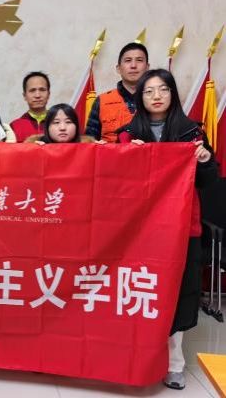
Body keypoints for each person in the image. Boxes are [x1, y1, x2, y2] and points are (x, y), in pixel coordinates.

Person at [117, 68, 217, 390]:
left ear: (172, 94)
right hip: (140, 232)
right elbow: (116, 184)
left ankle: (175, 364)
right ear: (140, 98)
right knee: (140, 293)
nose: (156, 96)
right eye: (148, 91)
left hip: (182, 229)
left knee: (179, 294)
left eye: (163, 89)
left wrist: (204, 160)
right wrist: (126, 157)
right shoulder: (126, 135)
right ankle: (138, 357)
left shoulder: (192, 134)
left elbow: (208, 181)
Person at [85, 42, 150, 142]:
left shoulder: (157, 100)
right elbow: (89, 141)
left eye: (139, 60)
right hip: (109, 152)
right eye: (128, 60)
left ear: (147, 67)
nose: (133, 65)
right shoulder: (102, 101)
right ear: (118, 68)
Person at [10, 71, 51, 142]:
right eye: (32, 90)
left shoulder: (59, 124)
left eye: (42, 90)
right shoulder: (14, 126)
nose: (37, 95)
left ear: (48, 94)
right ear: (25, 96)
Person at [25, 103, 95, 144]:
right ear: (47, 127)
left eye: (68, 122)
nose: (62, 128)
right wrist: (33, 151)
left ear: (76, 126)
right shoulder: (34, 146)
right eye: (56, 122)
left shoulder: (89, 147)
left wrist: (98, 149)